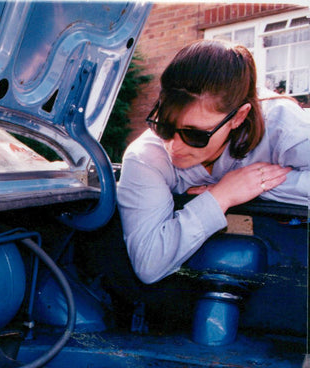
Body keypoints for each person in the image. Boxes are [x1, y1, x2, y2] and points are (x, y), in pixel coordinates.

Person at [117, 39, 309, 285]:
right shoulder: (146, 155)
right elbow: (149, 263)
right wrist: (220, 196)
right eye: (163, 125)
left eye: (195, 134)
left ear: (238, 117)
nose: (174, 147)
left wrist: (250, 188)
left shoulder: (283, 125)